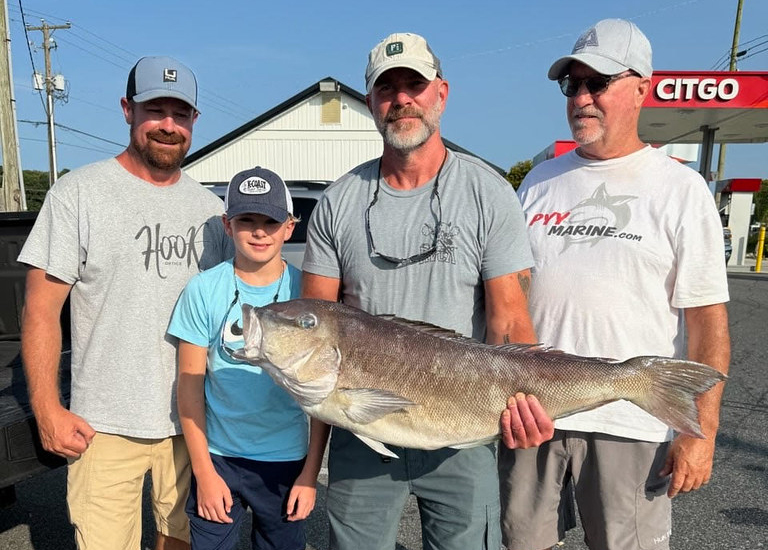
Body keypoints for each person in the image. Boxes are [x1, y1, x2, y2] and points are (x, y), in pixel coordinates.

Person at [302, 32, 553, 550]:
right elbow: (314, 333)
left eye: (413, 85)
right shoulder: (338, 202)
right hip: (361, 428)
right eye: (386, 89)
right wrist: (312, 464)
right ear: (371, 102)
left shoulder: (487, 192)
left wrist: (530, 405)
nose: (401, 99)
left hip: (464, 426)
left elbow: (508, 320)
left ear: (441, 93)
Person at [498, 18, 731, 550]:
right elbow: (509, 296)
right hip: (534, 415)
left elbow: (707, 322)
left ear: (641, 89)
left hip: (632, 422)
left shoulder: (679, 189)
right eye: (571, 84)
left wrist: (702, 432)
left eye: (597, 82)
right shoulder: (539, 181)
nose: (581, 97)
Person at [19, 56, 230, 550]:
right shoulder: (79, 194)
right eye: (155, 110)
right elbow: (40, 309)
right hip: (103, 425)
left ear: (195, 122)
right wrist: (48, 409)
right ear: (127, 110)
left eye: (180, 115)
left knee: (179, 541)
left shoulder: (210, 211)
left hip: (191, 425)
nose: (168, 126)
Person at [169, 166, 327, 550]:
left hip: (285, 460)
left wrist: (309, 474)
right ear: (227, 225)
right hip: (219, 457)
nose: (259, 231)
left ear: (289, 227)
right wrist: (204, 472)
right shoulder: (204, 290)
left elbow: (326, 394)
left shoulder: (306, 292)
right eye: (247, 220)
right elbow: (190, 384)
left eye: (270, 221)